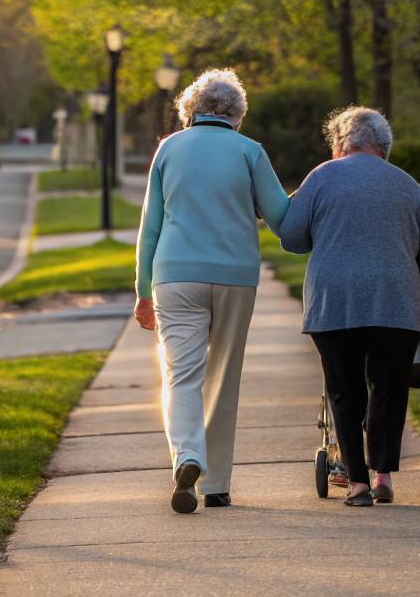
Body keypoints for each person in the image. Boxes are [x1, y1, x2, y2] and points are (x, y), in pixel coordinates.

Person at [133, 68, 290, 513]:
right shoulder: (250, 151)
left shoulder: (168, 148)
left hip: (175, 275)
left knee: (181, 376)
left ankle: (188, 456)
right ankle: (216, 484)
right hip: (235, 276)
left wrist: (144, 291)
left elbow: (151, 228)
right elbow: (282, 218)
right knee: (223, 376)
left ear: (189, 110)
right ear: (237, 113)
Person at [280, 106, 420, 506]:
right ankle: (384, 477)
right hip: (396, 298)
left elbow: (291, 237)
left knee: (344, 390)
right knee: (388, 389)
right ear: (385, 147)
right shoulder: (406, 183)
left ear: (340, 144)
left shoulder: (320, 176)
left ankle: (356, 484)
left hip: (332, 300)